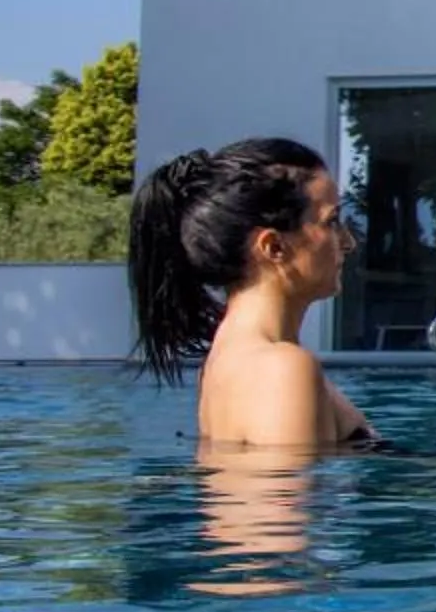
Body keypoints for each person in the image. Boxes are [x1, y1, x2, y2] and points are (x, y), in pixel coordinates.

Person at [128, 137, 376, 449]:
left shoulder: (231, 360)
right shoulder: (280, 369)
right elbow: (280, 496)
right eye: (332, 222)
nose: (348, 242)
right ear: (273, 247)